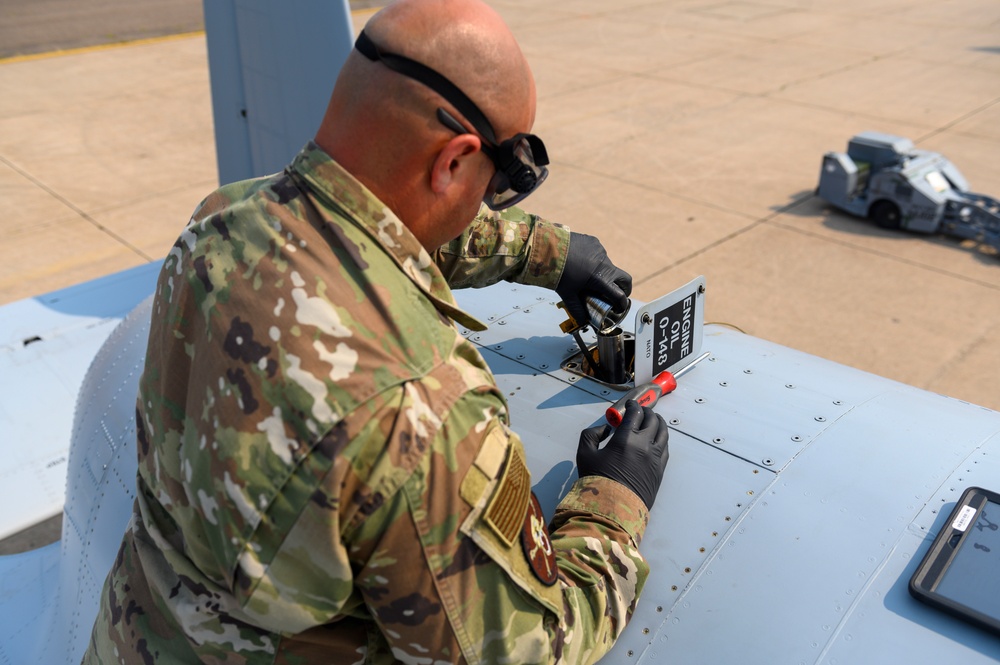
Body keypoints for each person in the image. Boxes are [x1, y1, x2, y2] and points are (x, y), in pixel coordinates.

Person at [83, 0, 670, 662]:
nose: (487, 200)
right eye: (498, 182)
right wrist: (612, 502)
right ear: (453, 161)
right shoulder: (417, 409)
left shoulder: (219, 223)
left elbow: (366, 218)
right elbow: (520, 650)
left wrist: (548, 253)